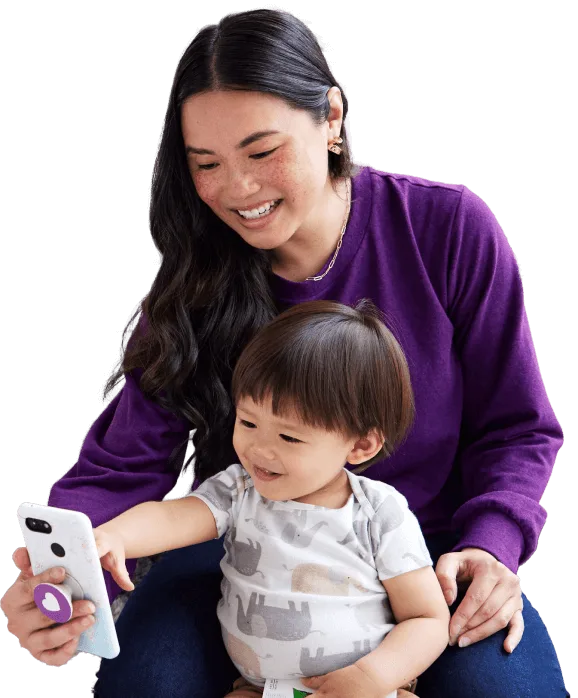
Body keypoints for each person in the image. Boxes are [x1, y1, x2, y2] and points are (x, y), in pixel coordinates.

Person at [1, 8, 568, 698]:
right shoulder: (196, 288)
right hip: (240, 553)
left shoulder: (447, 231)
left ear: (332, 118)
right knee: (145, 686)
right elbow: (120, 467)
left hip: (425, 558)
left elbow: (516, 428)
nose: (237, 190)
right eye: (205, 164)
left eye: (262, 151)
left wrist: (490, 546)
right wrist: (54, 566)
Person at [93, 299, 450, 697]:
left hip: (367, 689)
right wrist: (115, 536)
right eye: (247, 422)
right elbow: (173, 518)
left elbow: (426, 618)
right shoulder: (240, 489)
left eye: (289, 437)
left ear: (361, 445)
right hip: (259, 688)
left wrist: (373, 677)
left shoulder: (378, 512)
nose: (259, 449)